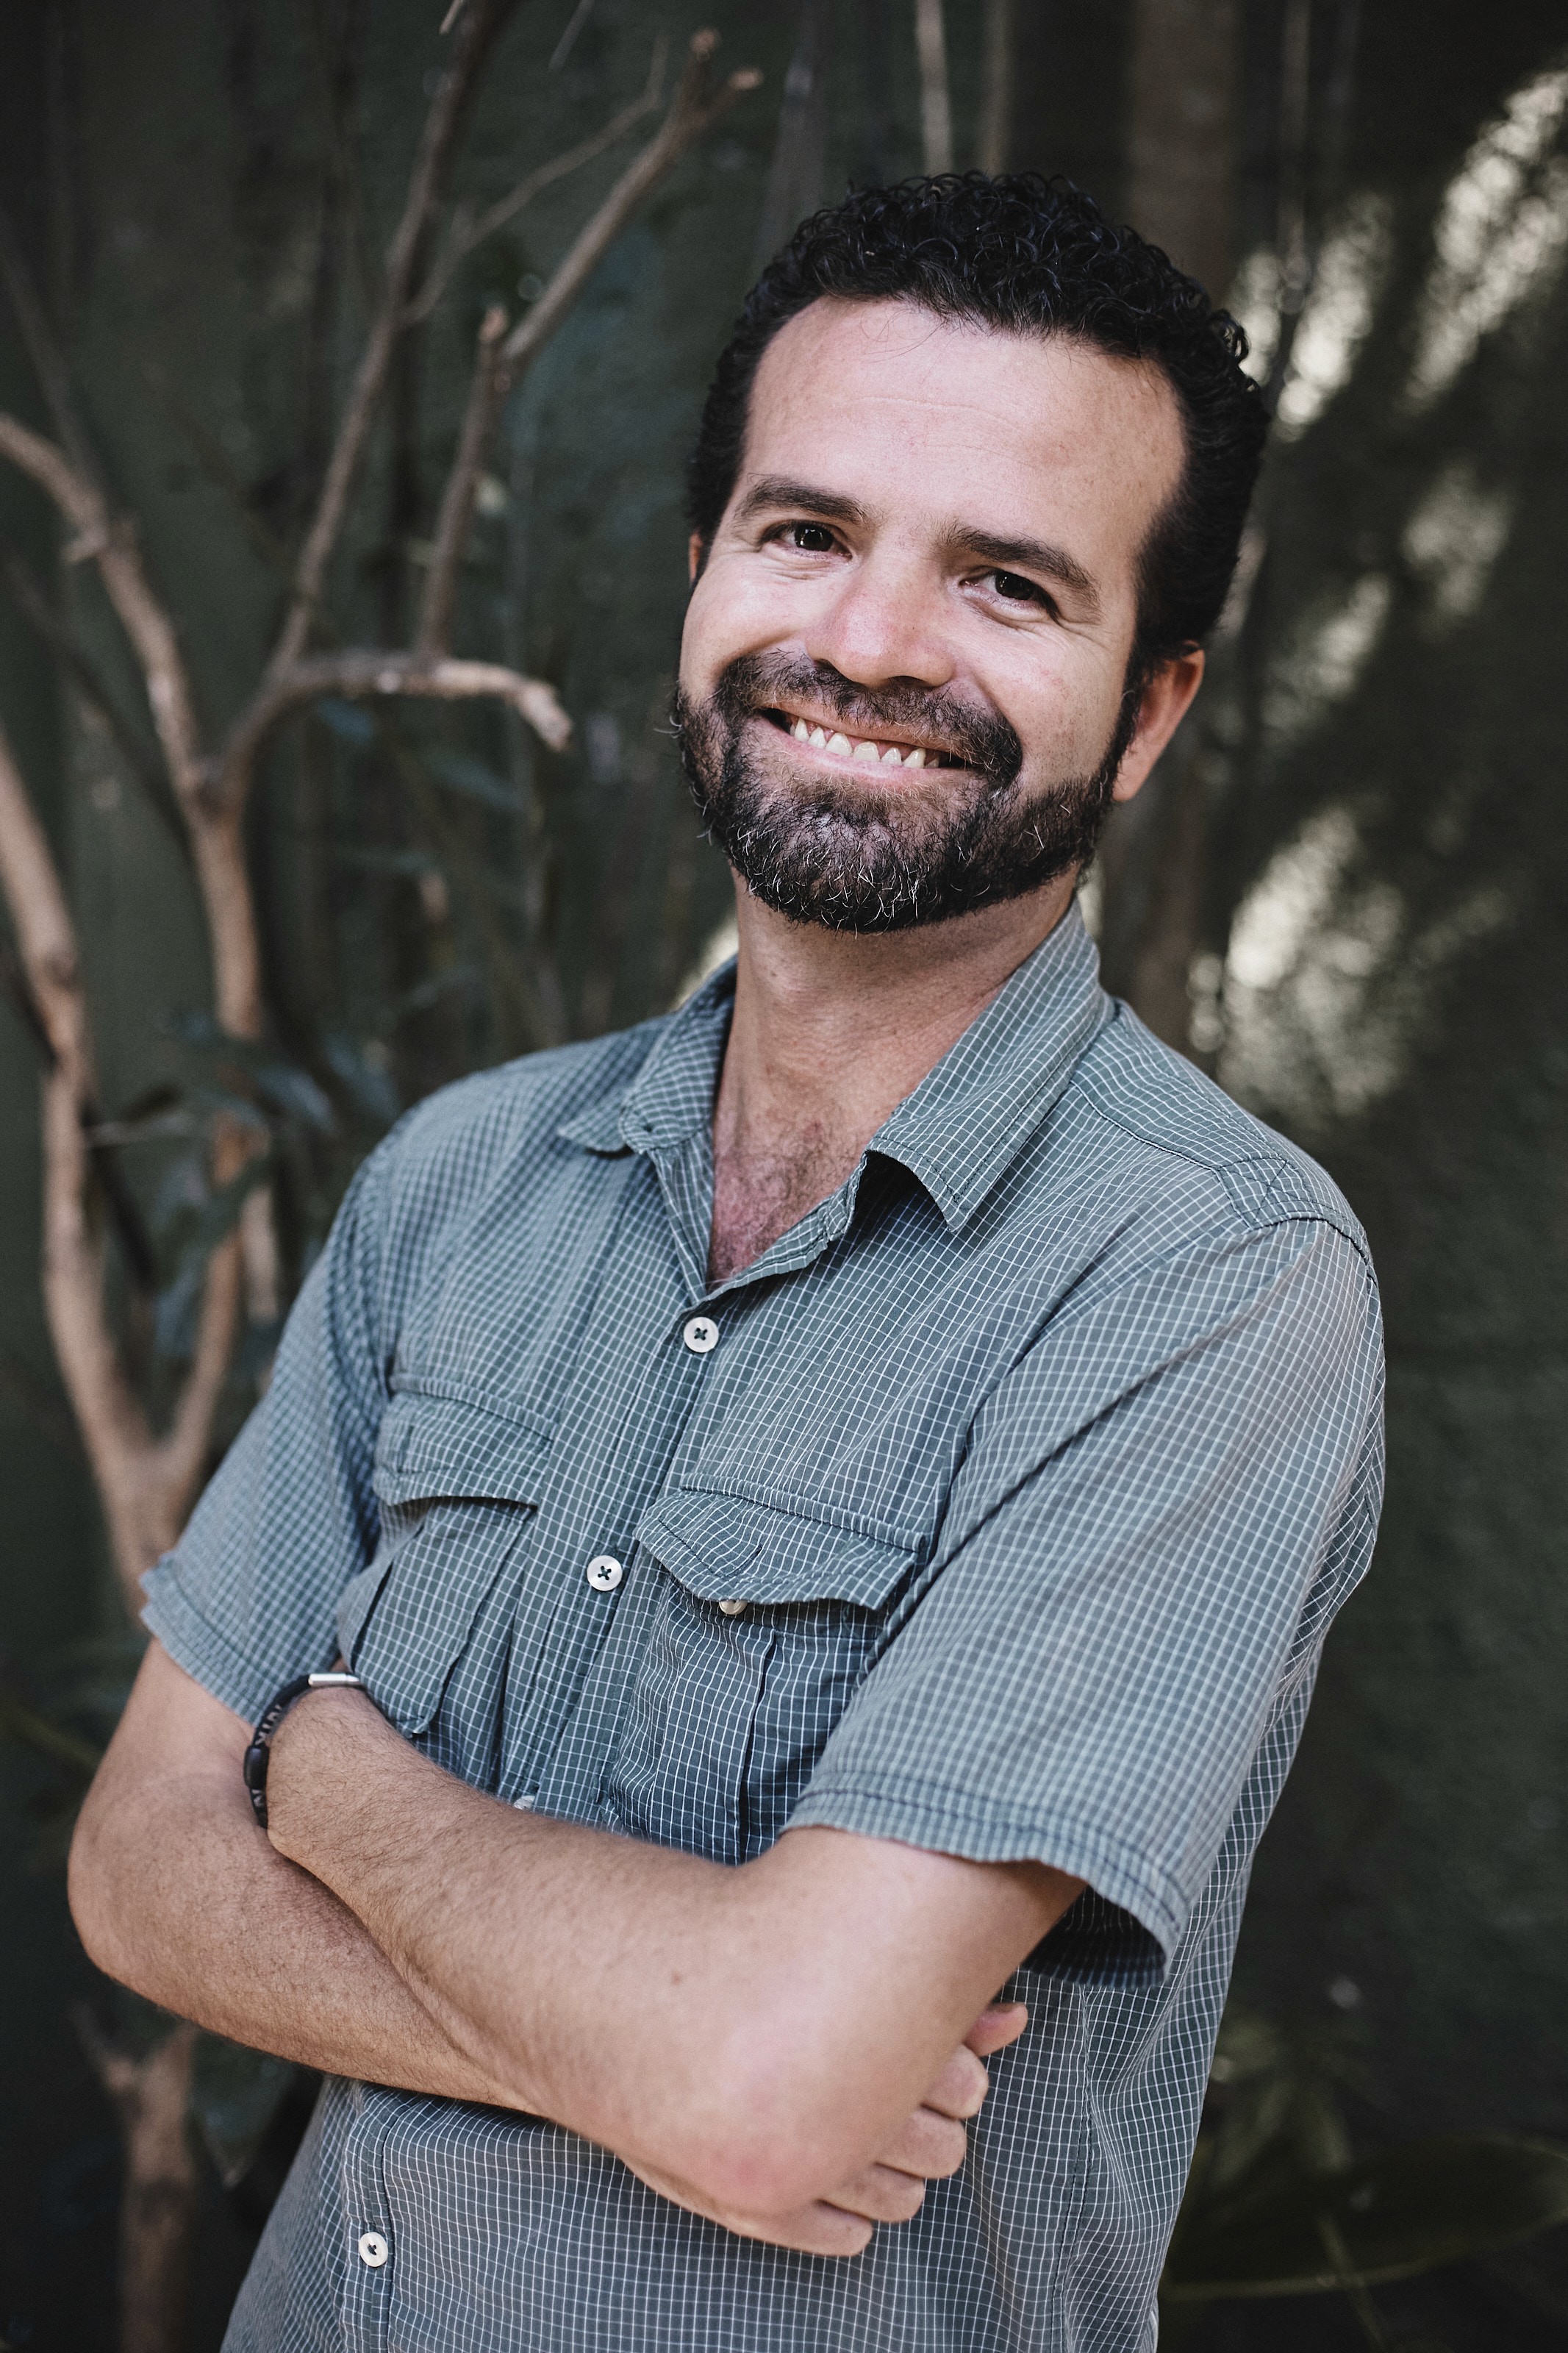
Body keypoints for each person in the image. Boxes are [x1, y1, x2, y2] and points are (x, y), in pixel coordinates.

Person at [69, 174, 1383, 2353]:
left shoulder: (1206, 1286)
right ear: (700, 575)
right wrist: (653, 2055)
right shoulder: (460, 1180)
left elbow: (770, 2093)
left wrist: (330, 1779)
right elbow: (135, 1868)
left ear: (1150, 708)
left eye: (1006, 582)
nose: (870, 642)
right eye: (806, 532)